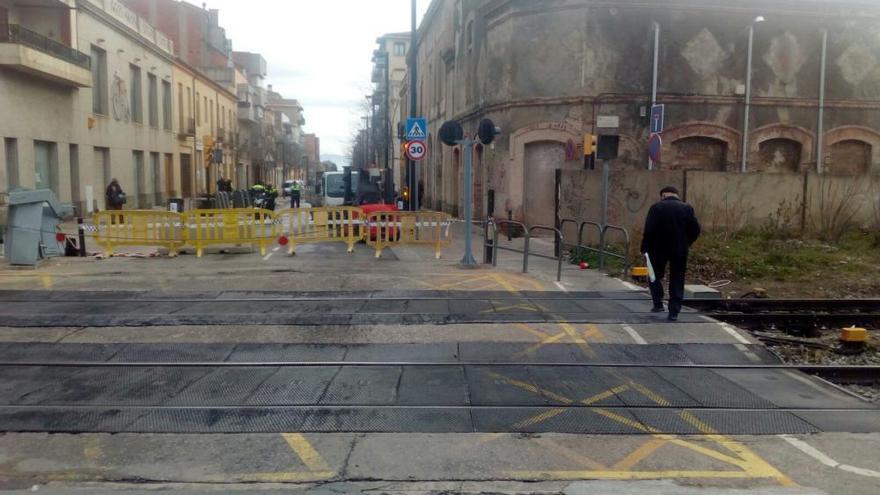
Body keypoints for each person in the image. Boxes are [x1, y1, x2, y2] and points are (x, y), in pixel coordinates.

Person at [640, 186, 701, 321]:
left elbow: (649, 230)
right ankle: (674, 312)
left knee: (654, 275)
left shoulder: (656, 208)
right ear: (677, 195)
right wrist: (686, 242)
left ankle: (658, 303)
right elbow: (695, 230)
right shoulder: (687, 208)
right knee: (677, 278)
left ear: (663, 195)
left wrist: (644, 248)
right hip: (679, 249)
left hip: (657, 249)